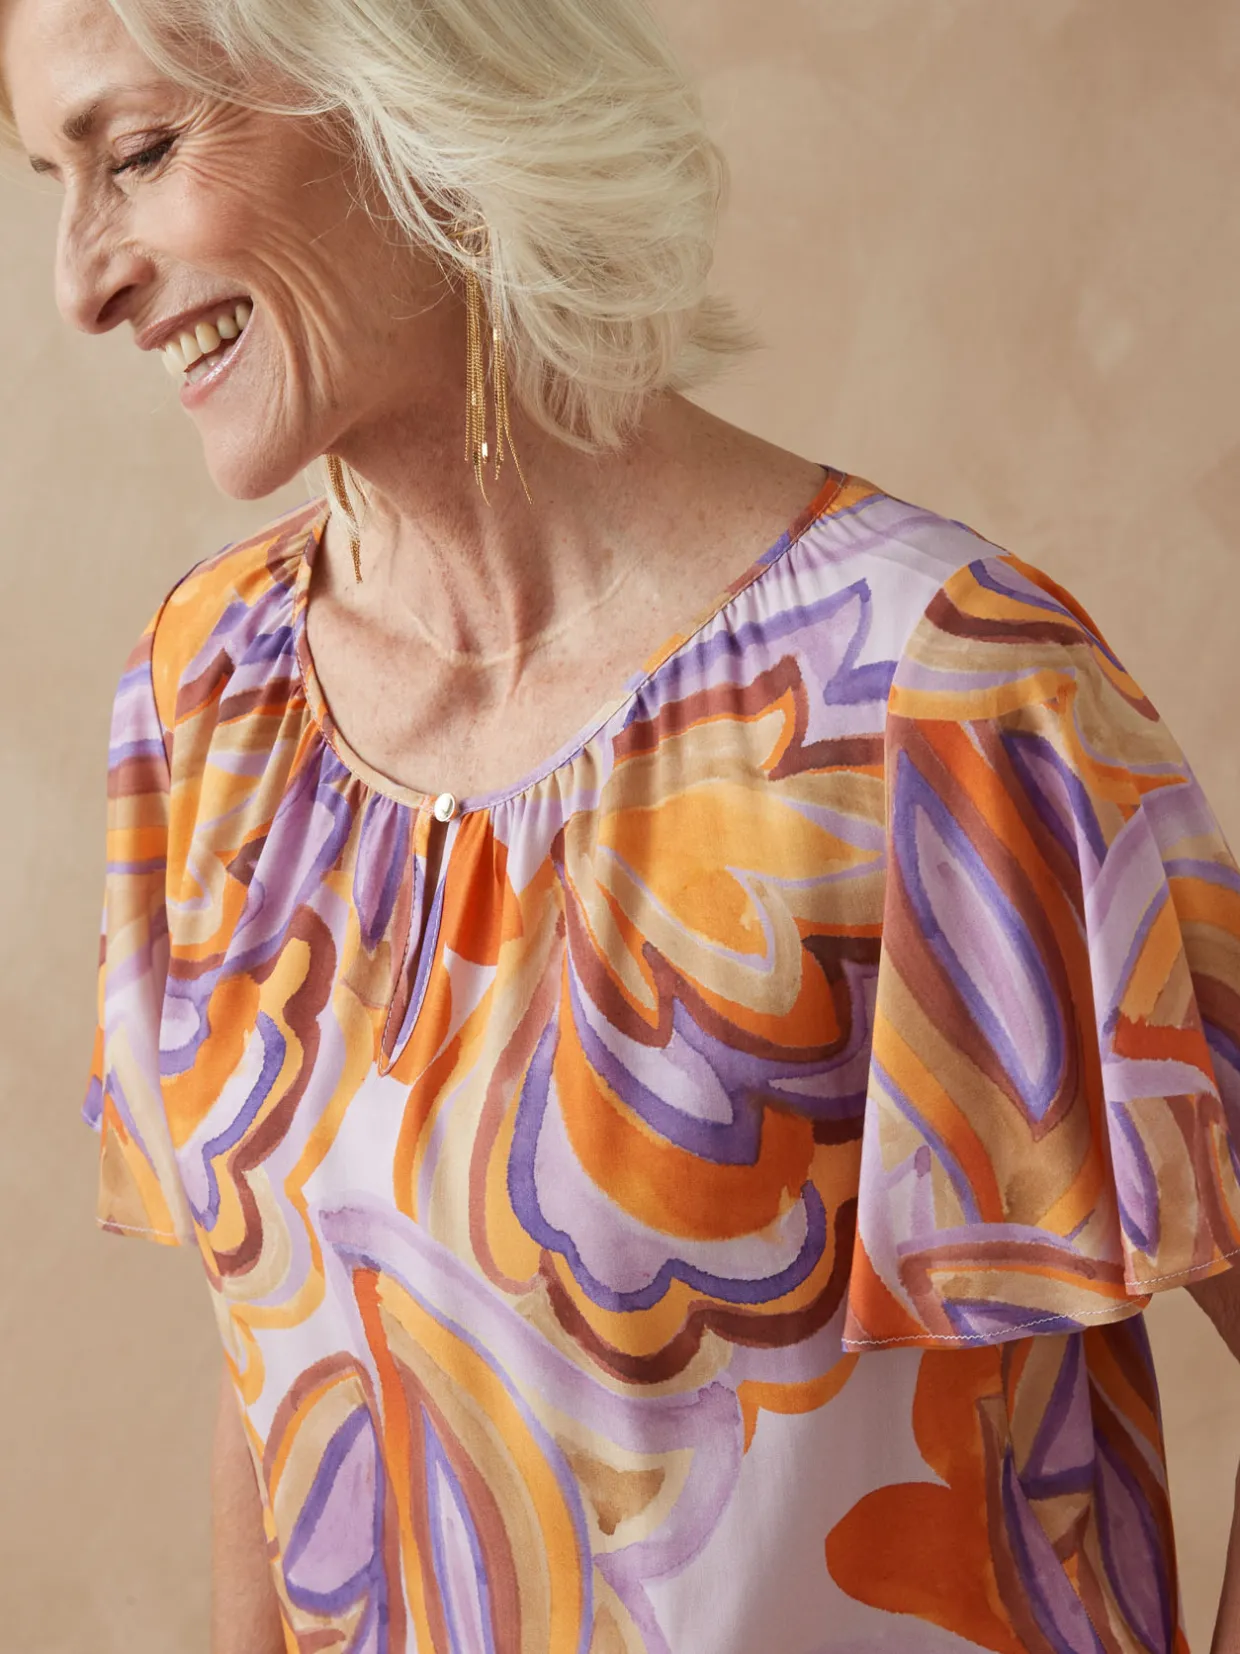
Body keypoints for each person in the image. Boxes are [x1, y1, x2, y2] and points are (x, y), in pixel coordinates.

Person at [5, 0, 1240, 1647]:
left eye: (141, 153)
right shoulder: (205, 698)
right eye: (51, 180)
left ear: (406, 79)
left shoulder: (940, 701)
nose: (80, 284)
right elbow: (288, 1360)